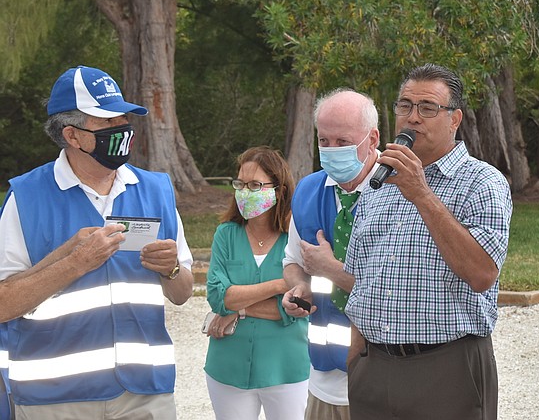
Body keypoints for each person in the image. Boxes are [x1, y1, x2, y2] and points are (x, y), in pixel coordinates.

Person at [0, 64, 194, 419]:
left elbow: (182, 293)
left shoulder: (156, 190)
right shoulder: (24, 198)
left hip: (145, 393)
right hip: (54, 398)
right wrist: (74, 264)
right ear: (72, 136)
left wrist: (172, 269)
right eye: (108, 122)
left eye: (123, 118)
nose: (122, 129)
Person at [343, 64, 512, 420]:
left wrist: (421, 192)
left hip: (447, 370)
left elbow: (483, 273)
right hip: (373, 369)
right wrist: (357, 365)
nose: (413, 118)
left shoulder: (482, 182)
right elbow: (361, 280)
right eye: (405, 106)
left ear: (455, 120)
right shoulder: (378, 183)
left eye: (428, 108)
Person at [281, 88, 381, 420]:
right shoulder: (308, 191)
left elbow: (402, 290)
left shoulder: (402, 192)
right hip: (325, 378)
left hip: (386, 376)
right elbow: (292, 261)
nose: (331, 150)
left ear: (372, 138)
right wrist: (298, 288)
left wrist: (332, 269)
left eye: (342, 141)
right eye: (324, 141)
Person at [204, 146, 310, 420]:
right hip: (227, 370)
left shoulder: (296, 239)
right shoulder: (226, 234)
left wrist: (238, 309)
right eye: (240, 184)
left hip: (286, 369)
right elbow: (218, 297)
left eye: (254, 185)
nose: (244, 192)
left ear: (279, 190)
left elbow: (296, 308)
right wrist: (279, 286)